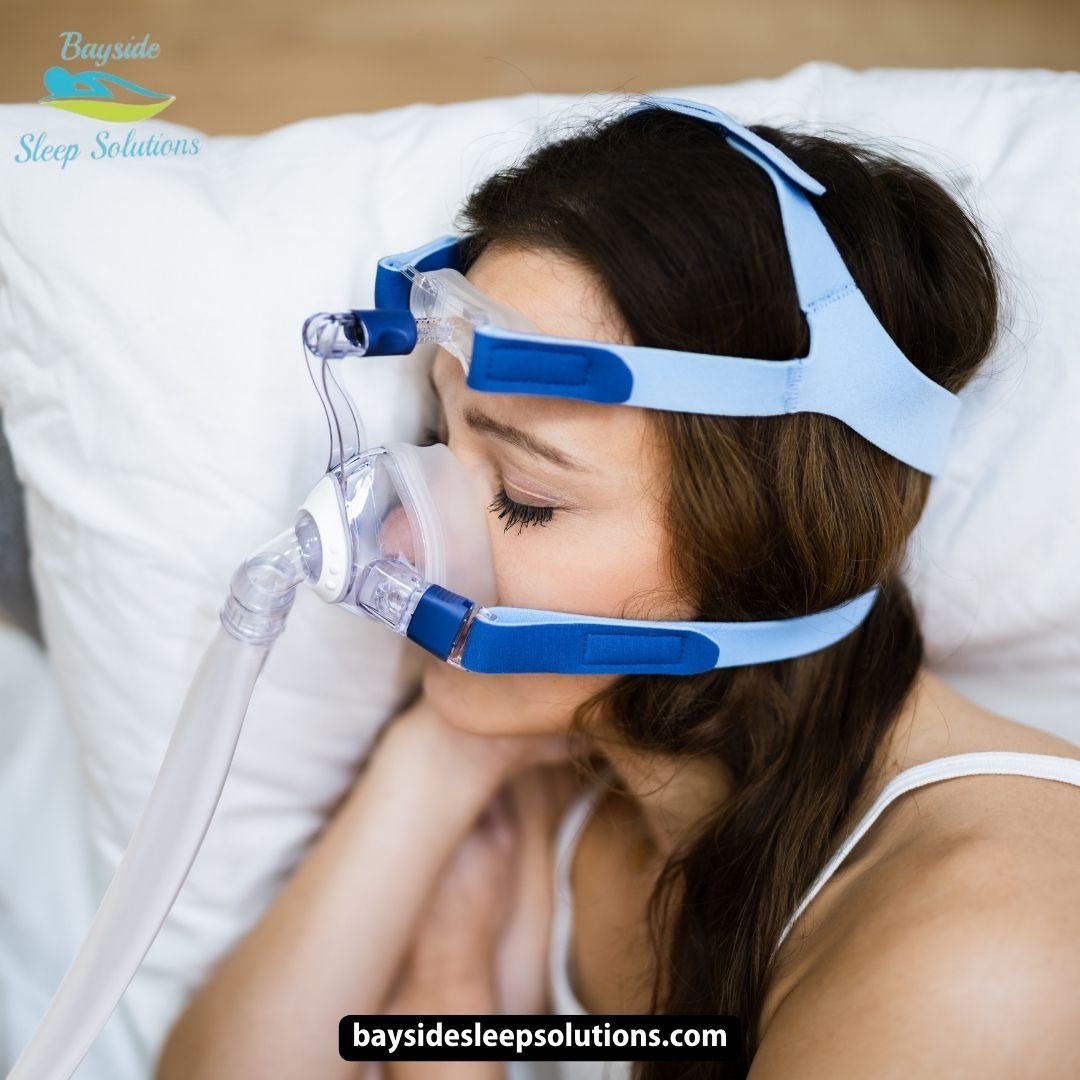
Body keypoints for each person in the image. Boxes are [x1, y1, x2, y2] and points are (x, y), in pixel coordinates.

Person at [156, 101, 1080, 1080]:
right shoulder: (576, 794)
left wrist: (450, 1041)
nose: (400, 534)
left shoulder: (986, 950)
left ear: (765, 554)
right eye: (437, 438)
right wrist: (437, 756)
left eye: (525, 496)